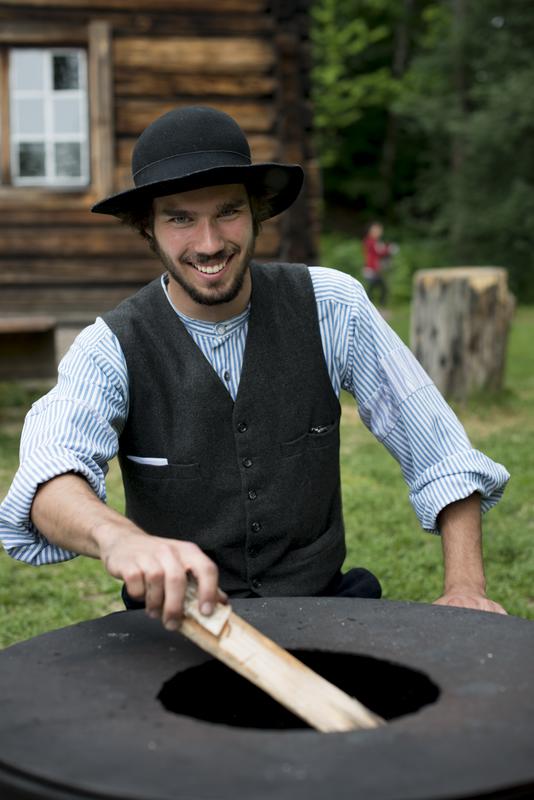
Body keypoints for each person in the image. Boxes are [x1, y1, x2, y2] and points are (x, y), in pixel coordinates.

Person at [0, 106, 509, 631]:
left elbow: (440, 452)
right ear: (147, 227)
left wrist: (465, 588)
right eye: (179, 218)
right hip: (178, 628)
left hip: (324, 608)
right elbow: (48, 479)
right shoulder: (110, 346)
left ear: (257, 210)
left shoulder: (333, 306)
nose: (209, 242)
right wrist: (118, 538)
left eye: (227, 211)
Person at [362, 222, 396, 306]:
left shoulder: (375, 241)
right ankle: (369, 306)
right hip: (370, 269)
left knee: (378, 288)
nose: (378, 232)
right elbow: (380, 251)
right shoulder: (370, 241)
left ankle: (374, 307)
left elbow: (381, 251)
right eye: (376, 230)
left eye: (379, 230)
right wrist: (389, 249)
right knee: (374, 289)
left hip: (375, 270)